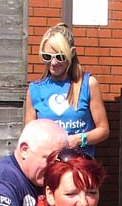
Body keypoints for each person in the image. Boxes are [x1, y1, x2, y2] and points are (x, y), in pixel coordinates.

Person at [25, 24, 110, 158]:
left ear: (72, 52)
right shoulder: (35, 89)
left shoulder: (88, 84)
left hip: (80, 165)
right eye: (47, 56)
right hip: (49, 167)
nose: (53, 63)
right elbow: (29, 136)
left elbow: (103, 130)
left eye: (60, 57)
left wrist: (79, 139)